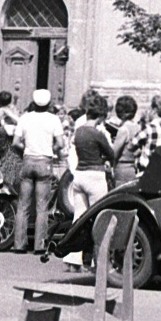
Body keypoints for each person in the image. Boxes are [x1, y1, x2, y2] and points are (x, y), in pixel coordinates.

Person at [11, 88, 65, 255]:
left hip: (28, 160)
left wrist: (25, 149)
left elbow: (15, 142)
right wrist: (52, 150)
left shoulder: (25, 118)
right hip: (45, 161)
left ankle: (19, 244)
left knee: (23, 205)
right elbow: (61, 143)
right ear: (48, 104)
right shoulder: (54, 119)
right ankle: (39, 245)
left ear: (33, 102)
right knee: (42, 206)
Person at [64, 95, 114, 268]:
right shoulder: (98, 133)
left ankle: (72, 259)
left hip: (79, 176)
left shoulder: (79, 132)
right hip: (95, 176)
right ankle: (97, 260)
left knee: (78, 218)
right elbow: (111, 153)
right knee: (100, 218)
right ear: (101, 116)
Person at [112, 95, 142, 183]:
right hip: (134, 167)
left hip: (123, 168)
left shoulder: (123, 130)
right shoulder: (138, 127)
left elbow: (114, 153)